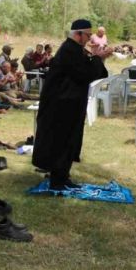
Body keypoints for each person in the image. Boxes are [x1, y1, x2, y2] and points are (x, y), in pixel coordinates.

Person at [33, 19, 111, 190]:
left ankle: (63, 176)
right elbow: (83, 74)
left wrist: (98, 58)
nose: (90, 39)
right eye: (88, 35)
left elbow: (90, 71)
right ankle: (57, 181)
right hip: (60, 105)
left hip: (69, 104)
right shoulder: (69, 50)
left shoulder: (75, 50)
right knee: (61, 142)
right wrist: (98, 58)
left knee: (68, 141)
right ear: (78, 34)